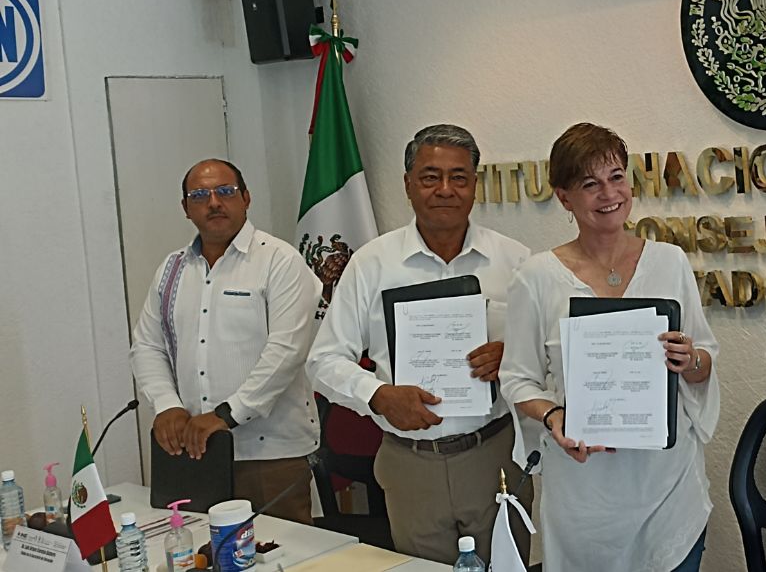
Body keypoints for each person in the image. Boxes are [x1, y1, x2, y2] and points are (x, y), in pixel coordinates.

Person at [306, 124, 532, 564]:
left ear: (474, 185)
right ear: (408, 184)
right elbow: (324, 360)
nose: (445, 189)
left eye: (459, 177)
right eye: (430, 176)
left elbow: (547, 352)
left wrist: (514, 355)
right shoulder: (372, 264)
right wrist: (379, 395)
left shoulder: (516, 261)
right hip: (411, 463)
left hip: (495, 454)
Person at [500, 122, 720, 572]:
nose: (608, 194)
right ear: (564, 197)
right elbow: (516, 377)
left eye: (616, 176)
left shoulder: (670, 262)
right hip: (584, 494)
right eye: (589, 184)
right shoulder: (537, 277)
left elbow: (704, 362)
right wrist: (553, 415)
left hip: (666, 487)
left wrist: (690, 359)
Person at [130, 159, 322, 524]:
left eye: (226, 192)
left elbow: (287, 352)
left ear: (246, 198)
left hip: (269, 456)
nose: (214, 202)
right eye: (200, 195)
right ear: (186, 209)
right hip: (195, 452)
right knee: (200, 553)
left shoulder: (279, 261)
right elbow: (147, 346)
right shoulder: (172, 269)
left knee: (282, 557)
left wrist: (226, 415)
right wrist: (167, 406)